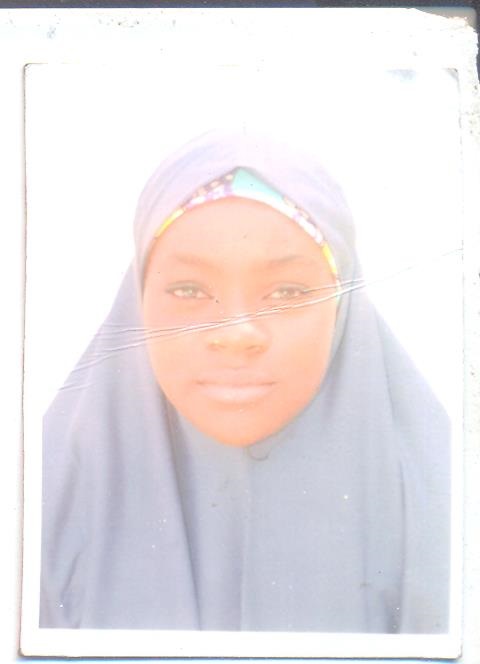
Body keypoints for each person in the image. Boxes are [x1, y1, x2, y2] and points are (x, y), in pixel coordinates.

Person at [40, 129, 450, 632]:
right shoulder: (37, 502)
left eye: (287, 292)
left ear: (342, 307)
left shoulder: (448, 506)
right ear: (138, 300)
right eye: (189, 290)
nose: (236, 334)